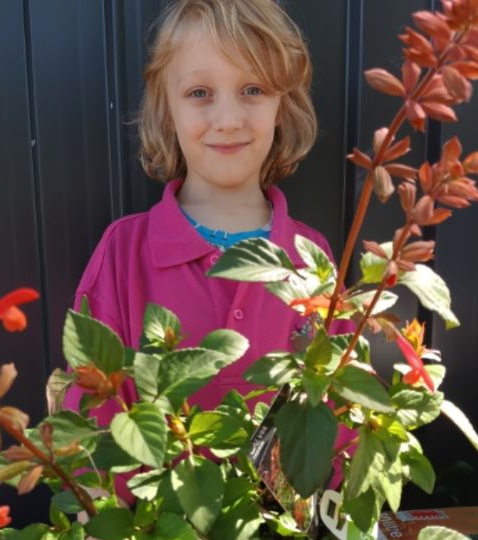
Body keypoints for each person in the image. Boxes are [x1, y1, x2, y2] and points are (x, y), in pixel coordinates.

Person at [65, 0, 331, 423]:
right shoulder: (124, 252)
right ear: (167, 108)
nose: (227, 119)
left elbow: (336, 411)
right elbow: (89, 414)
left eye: (253, 89)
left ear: (282, 104)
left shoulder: (311, 254)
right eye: (199, 93)